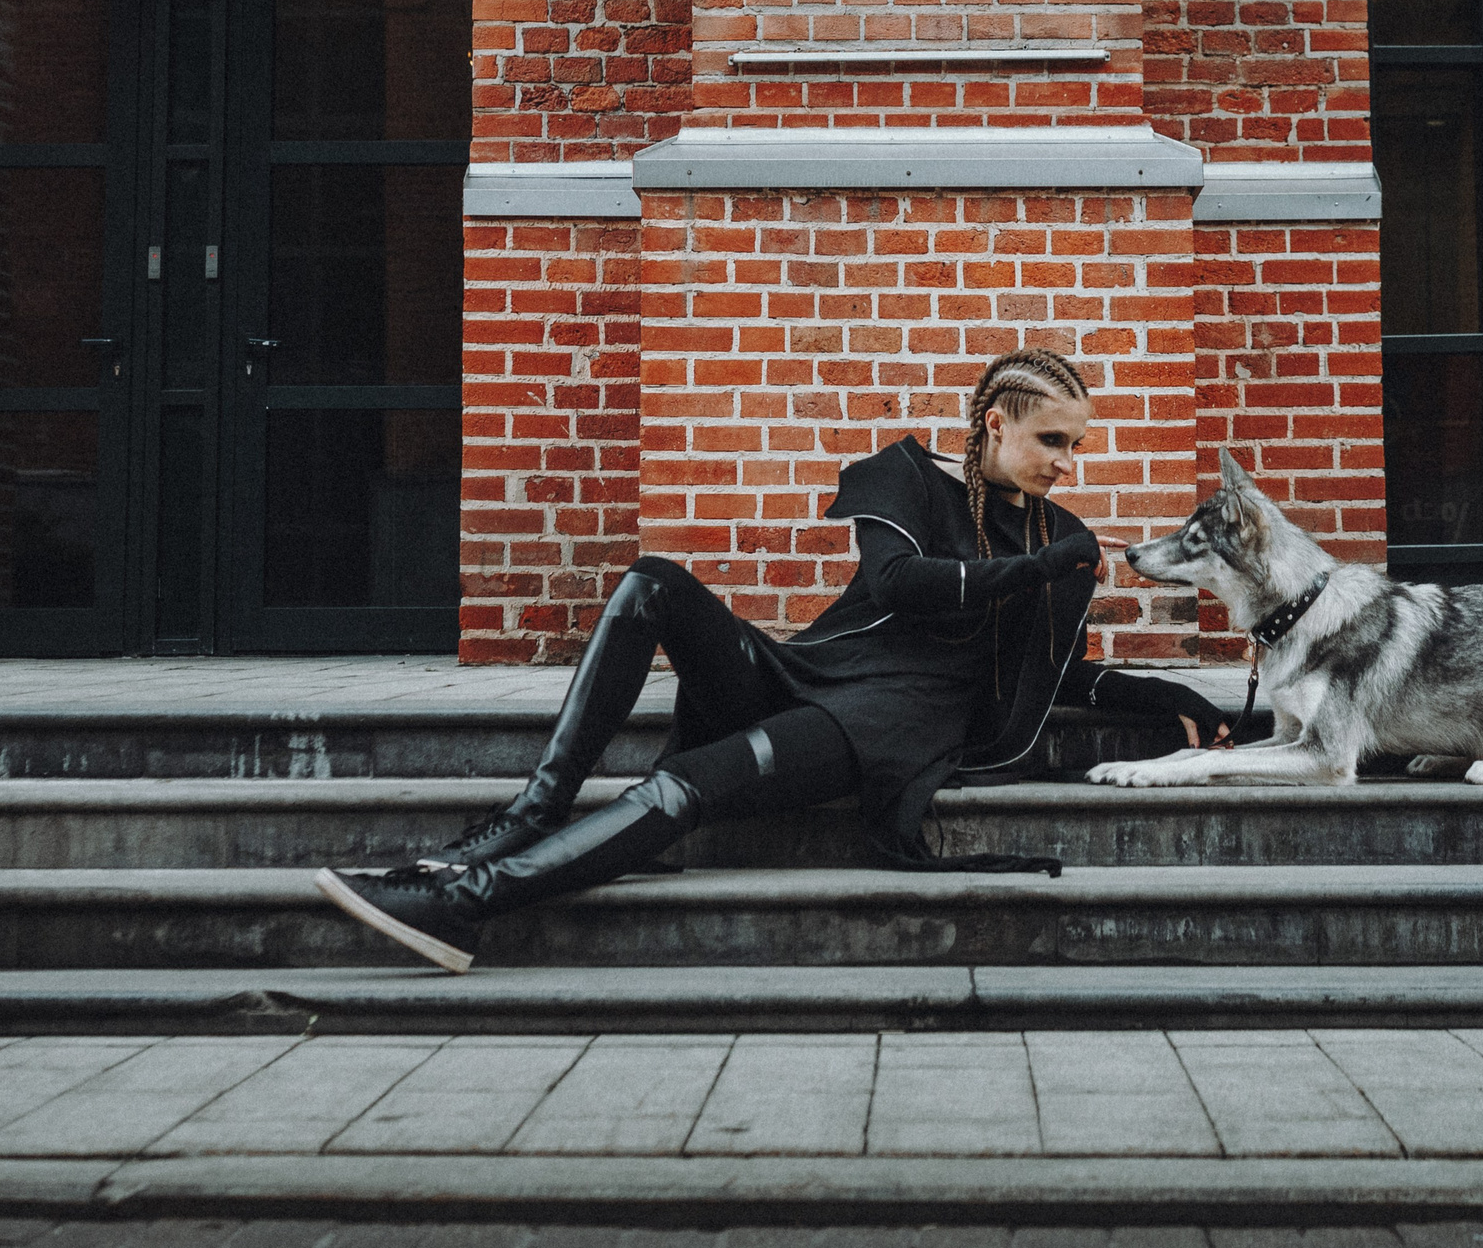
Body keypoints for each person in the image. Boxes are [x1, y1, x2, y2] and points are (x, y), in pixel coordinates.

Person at [314, 348, 1229, 973]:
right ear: (994, 426)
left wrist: (1160, 692)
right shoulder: (907, 477)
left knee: (685, 788)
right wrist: (1029, 569)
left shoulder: (1064, 540)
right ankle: (526, 818)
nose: (1067, 464)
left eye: (1077, 446)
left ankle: (466, 904)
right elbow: (900, 580)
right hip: (810, 676)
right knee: (652, 582)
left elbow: (1055, 675)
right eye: (1052, 441)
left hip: (885, 728)